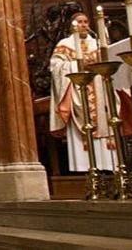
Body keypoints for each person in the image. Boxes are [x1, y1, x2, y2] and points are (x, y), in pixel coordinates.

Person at [49, 11, 118, 172]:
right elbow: (55, 67)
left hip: (99, 89)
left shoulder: (98, 43)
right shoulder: (65, 44)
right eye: (80, 22)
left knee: (104, 119)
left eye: (86, 22)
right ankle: (84, 167)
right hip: (76, 91)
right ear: (72, 25)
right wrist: (77, 66)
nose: (84, 25)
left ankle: (107, 165)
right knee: (82, 123)